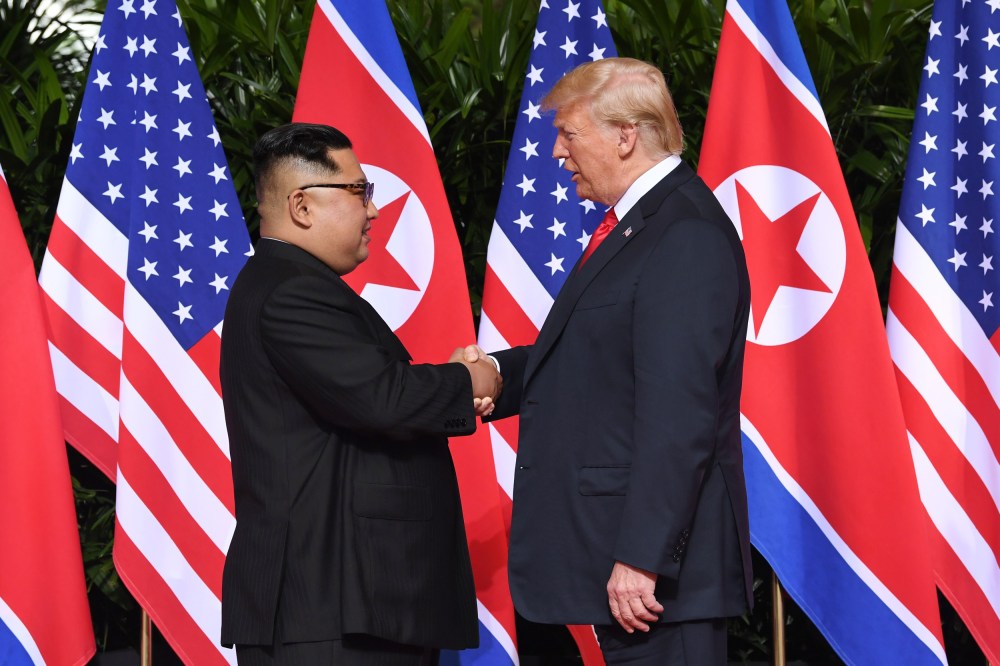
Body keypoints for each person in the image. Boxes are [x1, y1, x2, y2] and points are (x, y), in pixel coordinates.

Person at [478, 57, 753, 664]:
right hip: (626, 574)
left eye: (569, 134)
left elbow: (679, 412)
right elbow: (596, 360)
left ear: (626, 135)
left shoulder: (682, 235)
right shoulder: (638, 228)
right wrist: (497, 373)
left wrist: (642, 555)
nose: (556, 152)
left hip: (655, 584)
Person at [219, 122, 500, 665]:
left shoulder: (290, 283)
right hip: (331, 609)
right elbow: (383, 399)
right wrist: (473, 379)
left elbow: (366, 393)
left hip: (341, 607)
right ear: (302, 206)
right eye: (359, 191)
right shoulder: (292, 291)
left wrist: (456, 381)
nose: (373, 210)